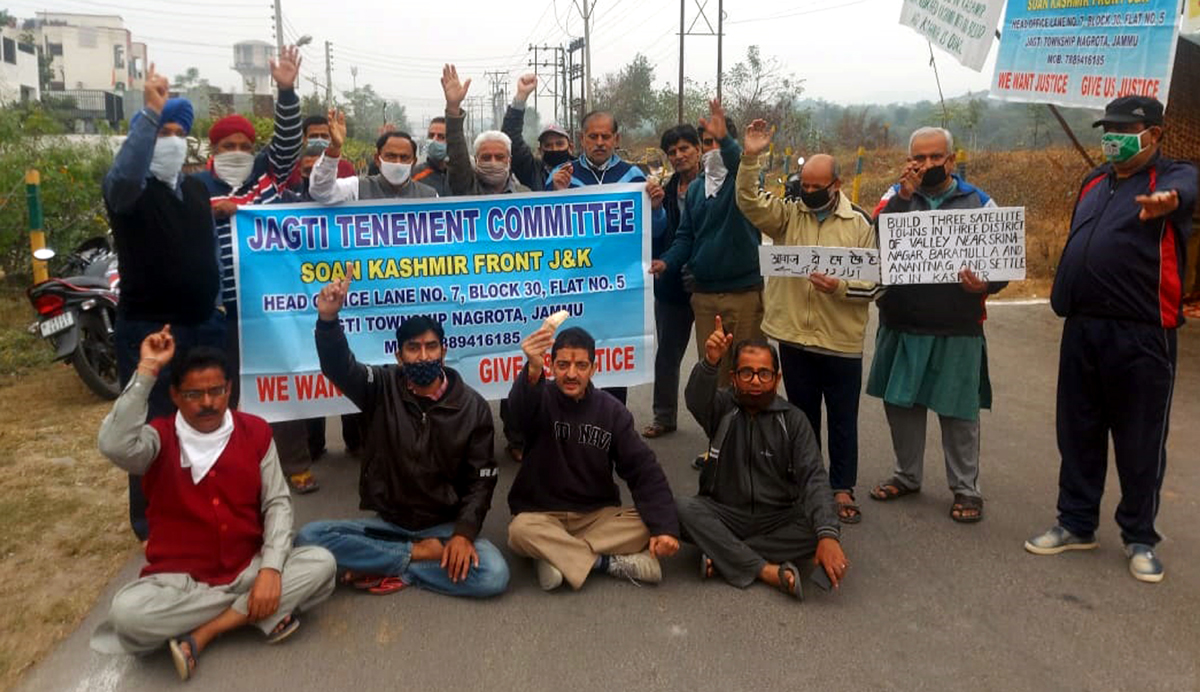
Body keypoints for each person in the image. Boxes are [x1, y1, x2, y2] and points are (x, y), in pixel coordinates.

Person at [91, 328, 336, 681]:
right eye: (194, 394)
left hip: (247, 570)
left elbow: (278, 504)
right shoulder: (156, 440)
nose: (207, 402)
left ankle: (205, 632)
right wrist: (147, 369)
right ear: (175, 395)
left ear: (229, 390)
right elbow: (113, 444)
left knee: (321, 565)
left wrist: (269, 570)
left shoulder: (255, 431)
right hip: (179, 584)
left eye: (216, 391)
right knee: (128, 615)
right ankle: (256, 613)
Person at [1026, 96, 1197, 583]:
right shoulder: (1095, 181)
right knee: (1077, 429)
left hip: (1142, 334)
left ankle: (1140, 536)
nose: (1113, 136)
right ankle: (1076, 523)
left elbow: (1189, 186)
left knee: (1140, 438)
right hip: (1082, 327)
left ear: (1155, 134)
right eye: (1109, 127)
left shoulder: (1172, 177)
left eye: (1127, 127)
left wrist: (1170, 202)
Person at [295, 280, 509, 598]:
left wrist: (463, 535)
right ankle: (417, 557)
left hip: (443, 526)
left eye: (431, 347)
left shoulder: (472, 406)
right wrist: (328, 320)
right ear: (399, 356)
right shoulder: (379, 387)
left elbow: (481, 481)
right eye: (413, 348)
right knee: (309, 537)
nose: (423, 357)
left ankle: (384, 564)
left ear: (443, 351)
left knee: (494, 574)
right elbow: (339, 367)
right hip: (390, 525)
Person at [102, 64, 226, 540]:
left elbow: (209, 250)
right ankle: (153, 522)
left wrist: (213, 303)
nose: (171, 140)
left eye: (178, 132)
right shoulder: (128, 193)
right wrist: (150, 111)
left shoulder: (194, 190)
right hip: (151, 331)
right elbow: (124, 173)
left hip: (202, 325)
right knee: (152, 425)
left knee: (207, 414)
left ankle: (203, 506)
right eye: (162, 131)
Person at [737, 122, 879, 525]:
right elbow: (748, 200)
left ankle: (841, 489)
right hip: (794, 339)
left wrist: (838, 287)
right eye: (805, 185)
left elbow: (875, 285)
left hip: (840, 343)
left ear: (837, 184)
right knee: (800, 420)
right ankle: (808, 486)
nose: (810, 192)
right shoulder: (786, 216)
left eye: (818, 186)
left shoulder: (860, 224)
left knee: (843, 420)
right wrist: (750, 157)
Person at [866, 126, 1005, 524]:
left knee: (959, 412)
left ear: (951, 159)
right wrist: (904, 196)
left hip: (957, 327)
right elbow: (877, 236)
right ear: (909, 161)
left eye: (935, 157)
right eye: (919, 158)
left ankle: (966, 489)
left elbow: (1003, 263)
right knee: (901, 406)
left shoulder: (979, 202)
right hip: (902, 323)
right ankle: (906, 475)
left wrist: (986, 284)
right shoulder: (895, 197)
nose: (926, 165)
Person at [677, 318, 848, 599]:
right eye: (746, 373)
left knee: (816, 528)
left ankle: (723, 556)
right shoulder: (721, 408)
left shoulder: (793, 420)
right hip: (724, 511)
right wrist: (709, 362)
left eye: (764, 374)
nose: (755, 381)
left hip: (778, 517)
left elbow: (814, 478)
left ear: (777, 379)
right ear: (733, 377)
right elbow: (695, 399)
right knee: (681, 509)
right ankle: (766, 570)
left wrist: (828, 535)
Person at [506, 323, 680, 591]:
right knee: (519, 531)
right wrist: (532, 370)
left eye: (581, 366)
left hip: (596, 515)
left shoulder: (612, 411)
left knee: (650, 522)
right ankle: (606, 563)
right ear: (551, 366)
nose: (572, 374)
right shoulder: (540, 397)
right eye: (563, 365)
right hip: (541, 513)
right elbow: (517, 416)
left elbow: (643, 469)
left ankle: (554, 555)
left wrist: (664, 528)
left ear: (594, 368)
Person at [549, 109, 666, 405]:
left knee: (614, 365)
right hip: (573, 286)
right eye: (593, 136)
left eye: (605, 136)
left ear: (616, 138)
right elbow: (543, 234)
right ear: (581, 139)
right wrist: (556, 194)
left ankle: (611, 431)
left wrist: (655, 209)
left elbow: (654, 232)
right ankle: (568, 433)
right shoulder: (562, 176)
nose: (600, 142)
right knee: (571, 358)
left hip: (618, 289)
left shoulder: (635, 177)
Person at [651, 100, 764, 390]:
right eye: (707, 143)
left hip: (743, 293)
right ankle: (720, 435)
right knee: (713, 373)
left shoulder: (744, 180)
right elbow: (685, 236)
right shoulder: (698, 189)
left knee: (746, 371)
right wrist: (667, 261)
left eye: (717, 142)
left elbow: (739, 161)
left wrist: (726, 138)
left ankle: (747, 435)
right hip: (705, 297)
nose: (712, 148)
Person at [641, 124, 700, 440]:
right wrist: (654, 207)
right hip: (671, 287)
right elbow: (657, 233)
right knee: (667, 355)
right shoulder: (663, 190)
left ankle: (723, 427)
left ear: (699, 148)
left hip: (709, 285)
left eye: (684, 149)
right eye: (672, 152)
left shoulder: (717, 186)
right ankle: (663, 416)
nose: (679, 156)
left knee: (714, 360)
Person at [308, 110, 438, 203]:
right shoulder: (357, 188)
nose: (397, 163)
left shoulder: (430, 196)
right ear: (377, 159)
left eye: (404, 157)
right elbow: (321, 191)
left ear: (414, 162)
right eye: (391, 156)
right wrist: (334, 149)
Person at [442, 64, 531, 196]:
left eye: (499, 157)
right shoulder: (467, 189)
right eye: (486, 157)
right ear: (476, 160)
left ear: (509, 160)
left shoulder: (526, 195)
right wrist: (453, 107)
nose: (493, 163)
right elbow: (456, 154)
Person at [502, 73, 575, 191]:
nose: (554, 149)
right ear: (540, 150)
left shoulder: (584, 171)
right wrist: (521, 97)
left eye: (559, 144)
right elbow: (511, 141)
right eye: (548, 145)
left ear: (571, 147)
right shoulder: (532, 172)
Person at [283, 114, 357, 189]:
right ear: (304, 139)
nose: (319, 140)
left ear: (331, 138)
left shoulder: (346, 168)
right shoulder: (291, 169)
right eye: (314, 136)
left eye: (324, 136)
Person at [412, 116, 450, 196]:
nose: (434, 140)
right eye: (431, 135)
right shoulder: (415, 175)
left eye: (441, 137)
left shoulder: (462, 176)